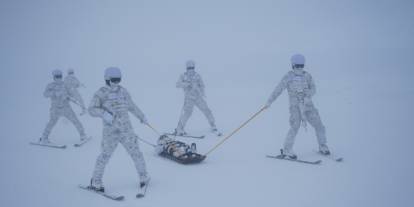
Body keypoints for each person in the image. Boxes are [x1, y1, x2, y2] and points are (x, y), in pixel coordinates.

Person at [88, 67, 149, 192]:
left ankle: (144, 177)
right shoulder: (101, 93)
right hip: (110, 132)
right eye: (114, 80)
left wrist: (141, 116)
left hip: (126, 130)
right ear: (107, 79)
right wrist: (104, 114)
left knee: (136, 153)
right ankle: (96, 181)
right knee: (104, 156)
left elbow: (131, 106)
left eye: (118, 80)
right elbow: (91, 109)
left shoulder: (123, 91)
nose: (116, 83)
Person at [265, 54, 330, 159]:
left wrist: (308, 93)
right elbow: (278, 89)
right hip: (295, 107)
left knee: (319, 125)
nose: (299, 68)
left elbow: (313, 88)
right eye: (297, 66)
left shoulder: (307, 76)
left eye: (301, 66)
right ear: (293, 65)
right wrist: (269, 102)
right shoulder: (288, 77)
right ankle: (287, 150)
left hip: (308, 106)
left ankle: (323, 146)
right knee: (295, 126)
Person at [39, 69, 87, 143]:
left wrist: (74, 99)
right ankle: (44, 137)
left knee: (75, 121)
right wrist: (54, 93)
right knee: (51, 123)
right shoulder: (51, 85)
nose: (59, 78)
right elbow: (45, 94)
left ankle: (83, 135)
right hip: (55, 109)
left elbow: (73, 93)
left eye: (60, 76)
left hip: (66, 108)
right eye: (57, 77)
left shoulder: (65, 85)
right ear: (54, 77)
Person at [175, 60, 219, 136]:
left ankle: (213, 125)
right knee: (187, 113)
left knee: (206, 110)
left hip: (198, 97)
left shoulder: (197, 76)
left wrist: (201, 91)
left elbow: (202, 85)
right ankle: (180, 129)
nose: (191, 69)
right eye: (189, 68)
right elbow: (178, 84)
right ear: (187, 68)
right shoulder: (183, 76)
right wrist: (186, 84)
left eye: (192, 67)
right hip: (189, 98)